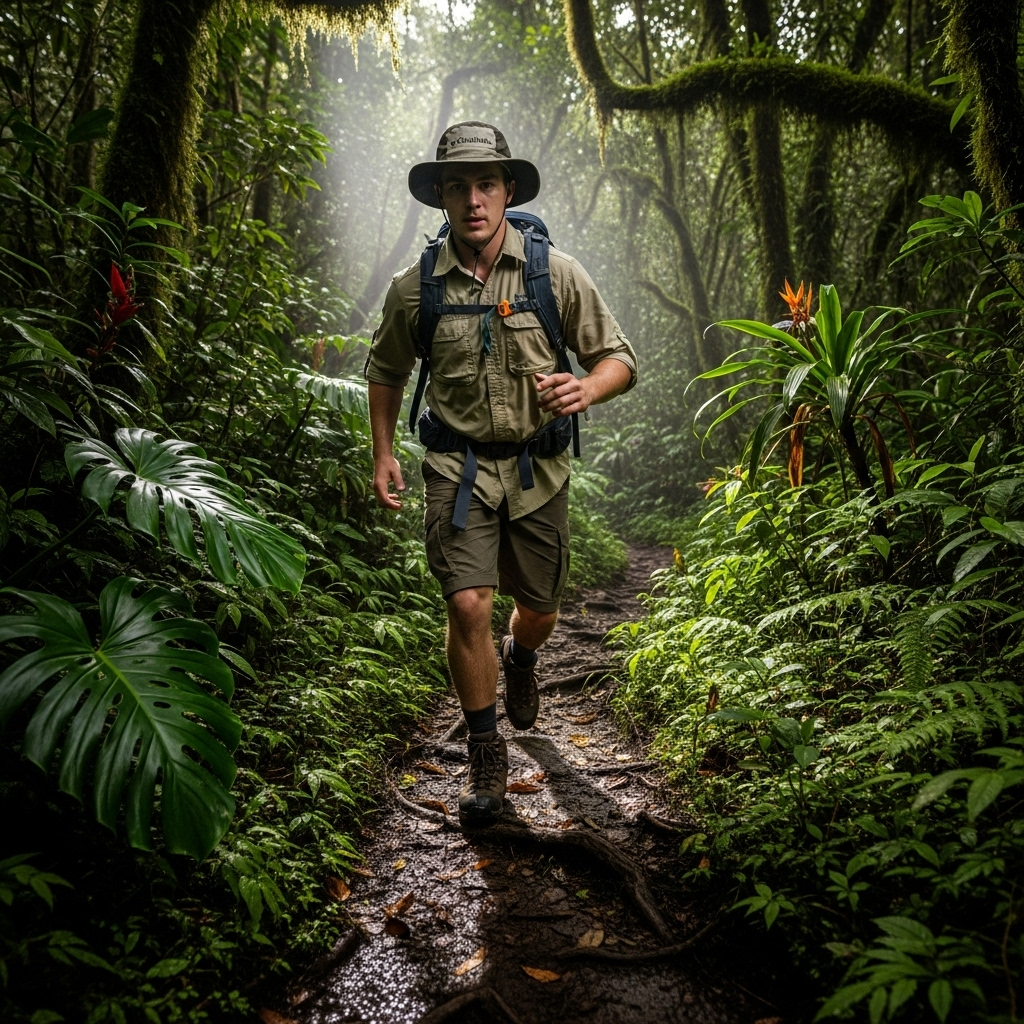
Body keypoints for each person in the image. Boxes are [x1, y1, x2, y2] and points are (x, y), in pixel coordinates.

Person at [365, 121, 637, 827]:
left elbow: (618, 358)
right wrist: (383, 451)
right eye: (458, 186)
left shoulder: (554, 274)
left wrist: (587, 388)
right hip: (455, 469)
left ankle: (520, 657)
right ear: (442, 196)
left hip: (537, 469)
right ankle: (486, 754)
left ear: (508, 190)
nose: (474, 200)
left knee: (539, 610)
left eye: (486, 184)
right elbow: (386, 371)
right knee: (467, 604)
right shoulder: (415, 288)